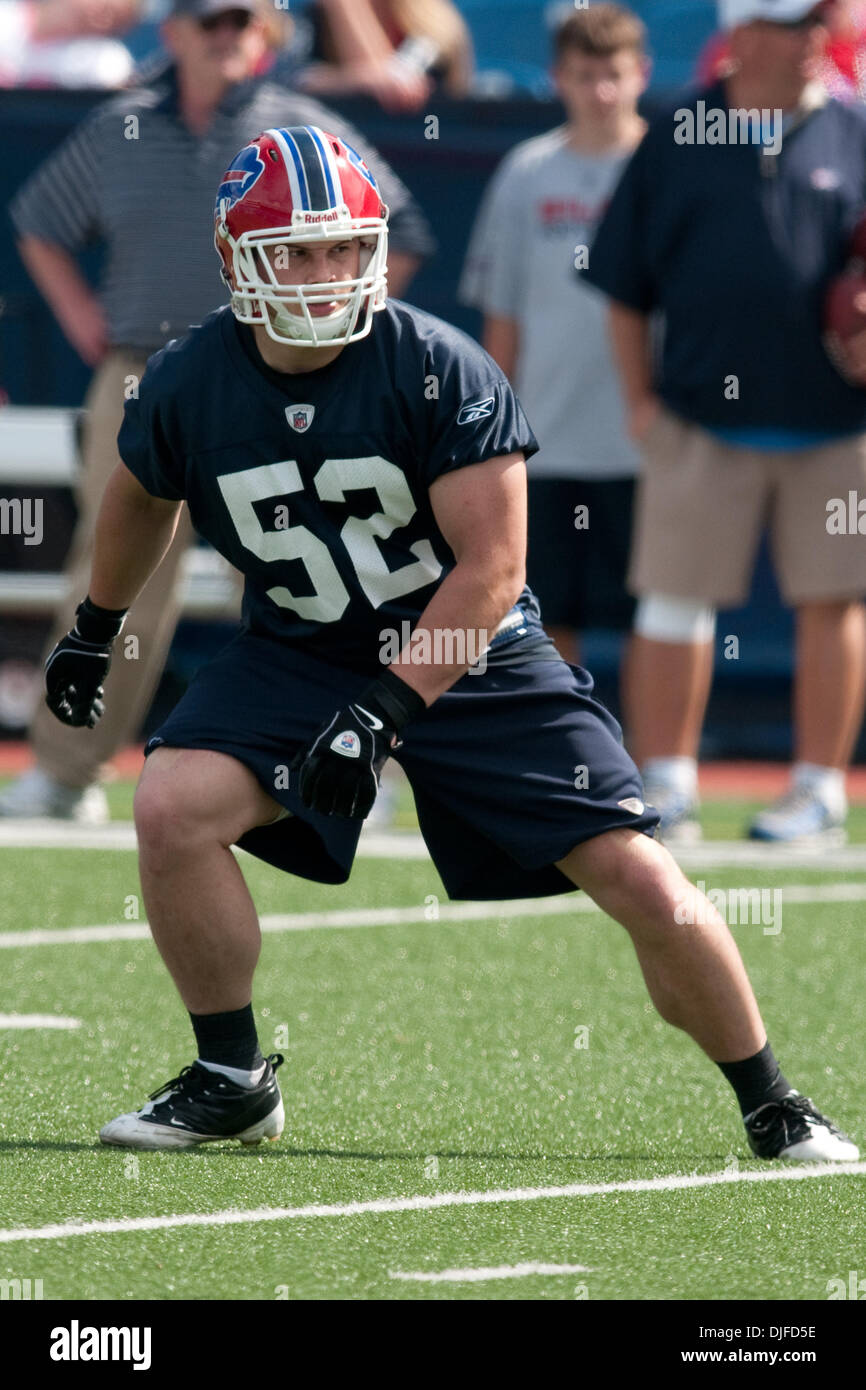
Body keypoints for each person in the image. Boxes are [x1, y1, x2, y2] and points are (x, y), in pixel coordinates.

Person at [40, 125, 857, 1164]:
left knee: (637, 873)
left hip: (470, 649)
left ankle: (771, 1099)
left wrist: (383, 713)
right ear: (236, 260)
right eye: (295, 251)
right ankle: (231, 1074)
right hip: (301, 646)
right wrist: (97, 626)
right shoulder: (189, 378)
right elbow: (140, 497)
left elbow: (491, 571)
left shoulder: (434, 365)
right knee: (171, 804)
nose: (325, 272)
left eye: (342, 247)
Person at [1, 0, 434, 824]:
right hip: (142, 375)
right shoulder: (120, 124)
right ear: (172, 33)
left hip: (278, 375)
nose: (231, 34)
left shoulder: (302, 126)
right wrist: (79, 316)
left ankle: (353, 760)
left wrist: (338, 330)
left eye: (245, 21)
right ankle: (63, 770)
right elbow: (37, 223)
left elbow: (396, 228)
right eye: (212, 21)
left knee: (315, 576)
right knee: (114, 575)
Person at [582, 0, 866, 844]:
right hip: (700, 418)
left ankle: (818, 789)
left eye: (823, 24)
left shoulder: (855, 129)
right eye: (799, 25)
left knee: (837, 602)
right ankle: (667, 782)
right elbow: (623, 284)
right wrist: (642, 403)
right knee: (672, 603)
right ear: (743, 38)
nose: (820, 41)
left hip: (839, 426)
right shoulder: (675, 137)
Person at [459, 3, 646, 668]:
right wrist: (496, 441)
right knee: (544, 616)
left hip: (648, 449)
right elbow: (501, 320)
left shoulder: (668, 167)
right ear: (557, 78)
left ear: (642, 75)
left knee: (661, 613)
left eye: (614, 73)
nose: (600, 90)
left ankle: (657, 771)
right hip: (547, 446)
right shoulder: (527, 172)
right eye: (584, 73)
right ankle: (570, 759)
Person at [290, 0, 474, 111]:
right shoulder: (316, 21)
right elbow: (290, 83)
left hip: (419, 157)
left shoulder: (435, 30)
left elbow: (391, 88)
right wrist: (351, 80)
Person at [0, 0, 140, 89]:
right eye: (104, 8)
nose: (102, 21)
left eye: (115, 23)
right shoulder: (6, 15)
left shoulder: (105, 60)